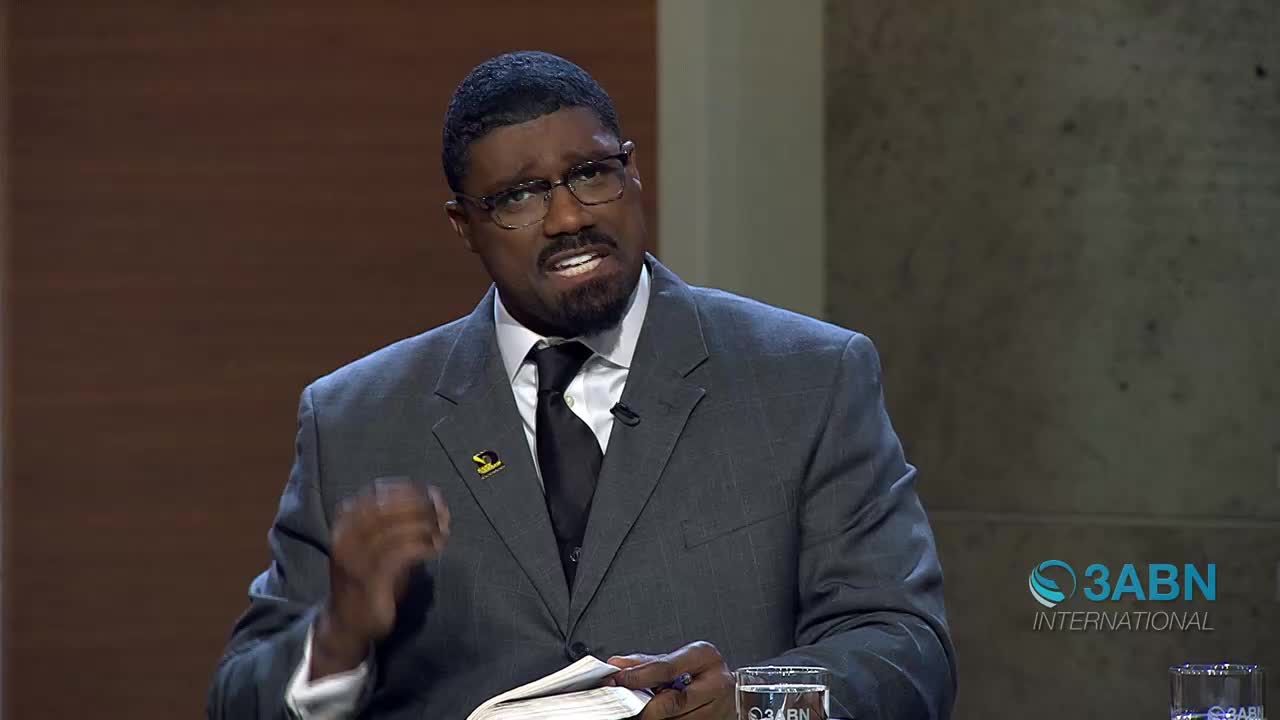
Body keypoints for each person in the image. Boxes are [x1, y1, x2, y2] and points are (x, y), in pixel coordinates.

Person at [207, 51, 956, 720]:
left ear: (631, 172)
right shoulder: (355, 420)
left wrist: (752, 706)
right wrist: (335, 640)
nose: (567, 217)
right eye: (518, 197)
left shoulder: (808, 378)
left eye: (590, 175)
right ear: (464, 225)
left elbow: (905, 651)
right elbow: (240, 700)